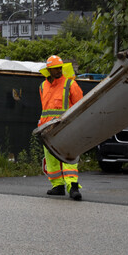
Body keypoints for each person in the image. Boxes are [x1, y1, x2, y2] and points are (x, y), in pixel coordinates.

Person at [38, 54, 84, 200]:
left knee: (68, 155)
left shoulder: (70, 84)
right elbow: (45, 109)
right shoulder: (42, 86)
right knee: (51, 158)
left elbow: (80, 105)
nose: (58, 71)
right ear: (48, 70)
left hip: (66, 128)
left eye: (60, 68)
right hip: (47, 129)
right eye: (55, 69)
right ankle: (57, 186)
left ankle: (73, 187)